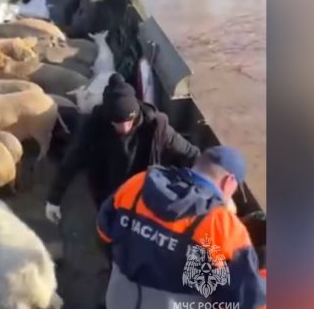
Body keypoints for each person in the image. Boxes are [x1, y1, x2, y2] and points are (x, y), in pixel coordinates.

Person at [97, 147, 267, 309]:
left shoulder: (139, 184)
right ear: (229, 182)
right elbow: (247, 305)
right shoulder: (220, 224)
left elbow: (104, 231)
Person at [45, 73, 200, 224]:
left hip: (143, 197)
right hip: (108, 195)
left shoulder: (157, 127)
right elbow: (73, 159)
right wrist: (54, 198)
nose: (124, 128)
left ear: (136, 112)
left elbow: (191, 153)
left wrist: (208, 189)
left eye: (129, 120)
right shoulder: (93, 125)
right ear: (107, 117)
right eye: (116, 122)